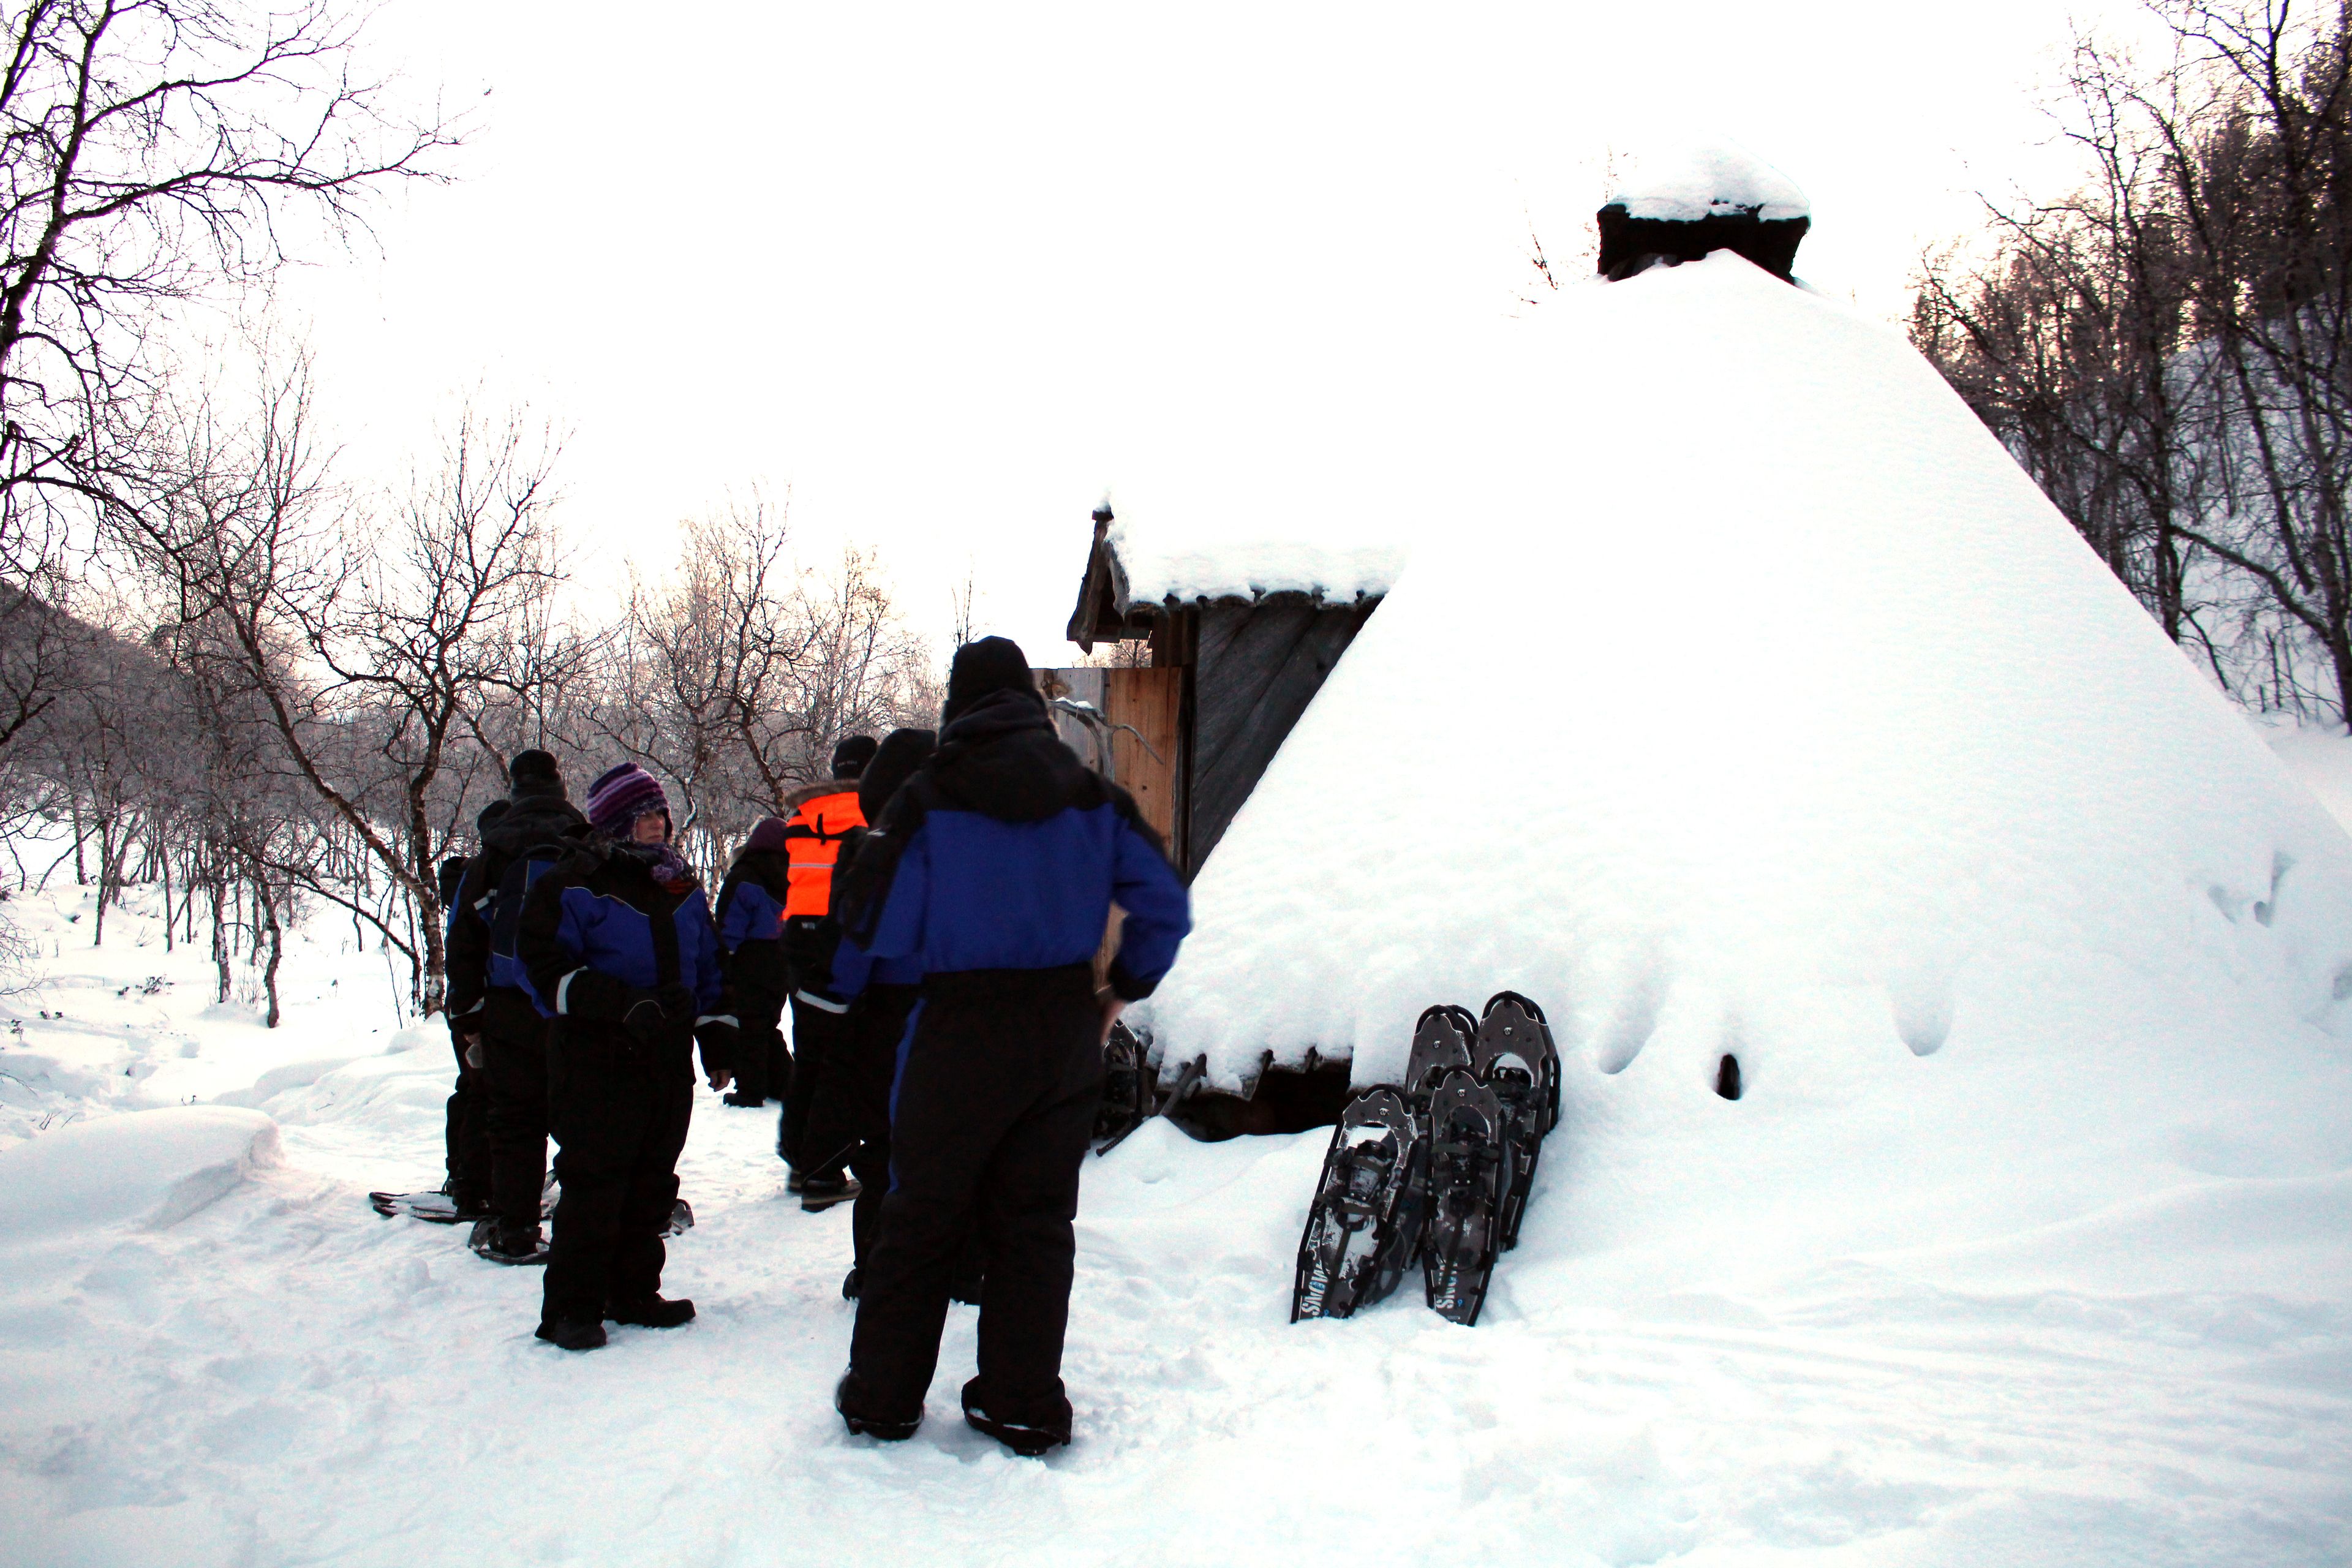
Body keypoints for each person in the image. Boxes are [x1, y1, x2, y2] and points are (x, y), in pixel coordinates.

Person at [832, 638, 1189, 1455]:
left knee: (919, 1215)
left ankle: (884, 1399)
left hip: (959, 1025)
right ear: (1029, 703)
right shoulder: (1091, 794)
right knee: (1035, 1225)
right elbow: (1162, 905)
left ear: (960, 705)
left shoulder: (926, 796)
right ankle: (1023, 1402)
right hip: (1064, 1028)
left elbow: (861, 922)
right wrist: (1117, 991)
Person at [516, 762, 734, 1352]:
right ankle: (570, 1308)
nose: (656, 825)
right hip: (596, 1056)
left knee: (652, 1181)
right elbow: (542, 971)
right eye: (642, 817)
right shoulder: (572, 883)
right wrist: (618, 1004)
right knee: (595, 1184)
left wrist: (718, 1039)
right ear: (614, 823)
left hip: (667, 1059)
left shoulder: (680, 886)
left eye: (661, 814)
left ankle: (634, 1291)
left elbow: (711, 970)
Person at [445, 752, 589, 1264]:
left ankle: (517, 1228)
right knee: (581, 1116)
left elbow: (463, 938)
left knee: (515, 1119)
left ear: (514, 791)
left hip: (507, 1005)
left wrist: (466, 1014)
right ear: (561, 785)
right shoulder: (588, 844)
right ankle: (592, 1219)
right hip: (576, 1001)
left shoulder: (492, 854)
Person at [806, 726, 934, 1283]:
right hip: (939, 1018)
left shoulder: (879, 855)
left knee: (888, 1150)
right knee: (933, 1149)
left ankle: (881, 1266)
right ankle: (943, 1266)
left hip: (893, 1019)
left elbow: (850, 954)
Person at [775, 734, 879, 1210]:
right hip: (844, 939)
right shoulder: (873, 812)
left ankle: (799, 1159)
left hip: (798, 940)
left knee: (810, 1053)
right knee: (846, 1061)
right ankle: (824, 1170)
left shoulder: (801, 817)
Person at [710, 817, 794, 1110]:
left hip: (749, 959)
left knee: (750, 1027)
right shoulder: (794, 875)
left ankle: (750, 1090)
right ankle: (786, 1085)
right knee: (768, 1025)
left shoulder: (743, 876)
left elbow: (729, 926)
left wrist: (723, 961)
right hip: (782, 959)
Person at [437, 838, 495, 1221]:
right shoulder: (483, 886)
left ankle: (462, 1175)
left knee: (473, 1091)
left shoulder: (470, 884)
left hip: (467, 1008)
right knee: (483, 1096)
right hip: (477, 1010)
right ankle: (473, 1185)